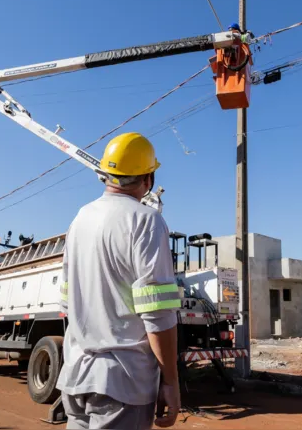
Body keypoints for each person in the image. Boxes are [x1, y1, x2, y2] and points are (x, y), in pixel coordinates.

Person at [57, 132, 181, 429]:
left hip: (76, 377)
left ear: (106, 175)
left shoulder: (80, 218)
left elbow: (66, 302)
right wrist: (171, 382)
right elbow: (159, 314)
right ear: (148, 178)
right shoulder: (147, 220)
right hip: (123, 383)